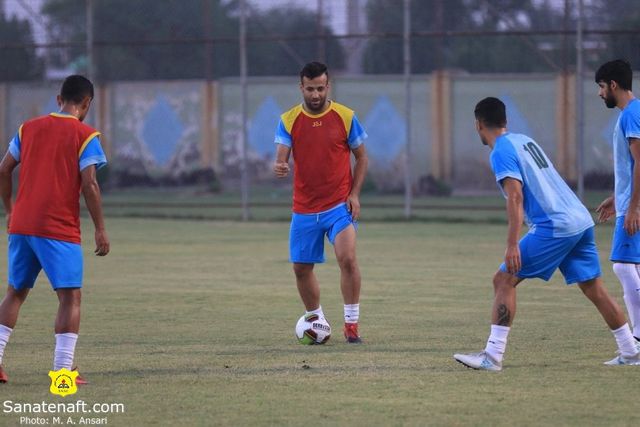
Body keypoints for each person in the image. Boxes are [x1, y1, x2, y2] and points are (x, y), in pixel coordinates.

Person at [453, 96, 640, 371]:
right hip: (580, 220)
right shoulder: (524, 140)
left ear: (478, 124)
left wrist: (512, 244)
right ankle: (630, 350)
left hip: (556, 226)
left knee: (503, 279)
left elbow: (514, 197)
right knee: (593, 287)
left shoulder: (501, 151)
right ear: (505, 120)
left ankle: (492, 356)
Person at [0, 75, 110, 384]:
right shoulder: (86, 135)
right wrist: (100, 228)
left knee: (15, 293)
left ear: (58, 99)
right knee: (70, 297)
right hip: (57, 228)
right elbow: (89, 183)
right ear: (86, 103)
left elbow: (4, 169)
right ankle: (63, 371)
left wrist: (10, 209)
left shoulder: (28, 128)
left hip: (21, 225)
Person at [273, 61, 368, 343]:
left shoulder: (346, 116)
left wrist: (354, 194)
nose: (316, 95)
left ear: (329, 86)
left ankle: (351, 326)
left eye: (321, 88)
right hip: (304, 208)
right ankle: (316, 319)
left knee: (347, 258)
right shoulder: (288, 119)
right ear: (301, 87)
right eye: (310, 89)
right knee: (301, 268)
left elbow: (361, 157)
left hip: (339, 205)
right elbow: (282, 156)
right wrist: (280, 165)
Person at [594, 59, 640, 350]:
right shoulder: (632, 113)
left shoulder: (630, 115)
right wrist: (617, 196)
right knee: (632, 266)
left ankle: (636, 340)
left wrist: (633, 207)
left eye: (601, 87)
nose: (600, 94)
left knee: (623, 266)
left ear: (613, 84)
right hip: (628, 200)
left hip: (635, 205)